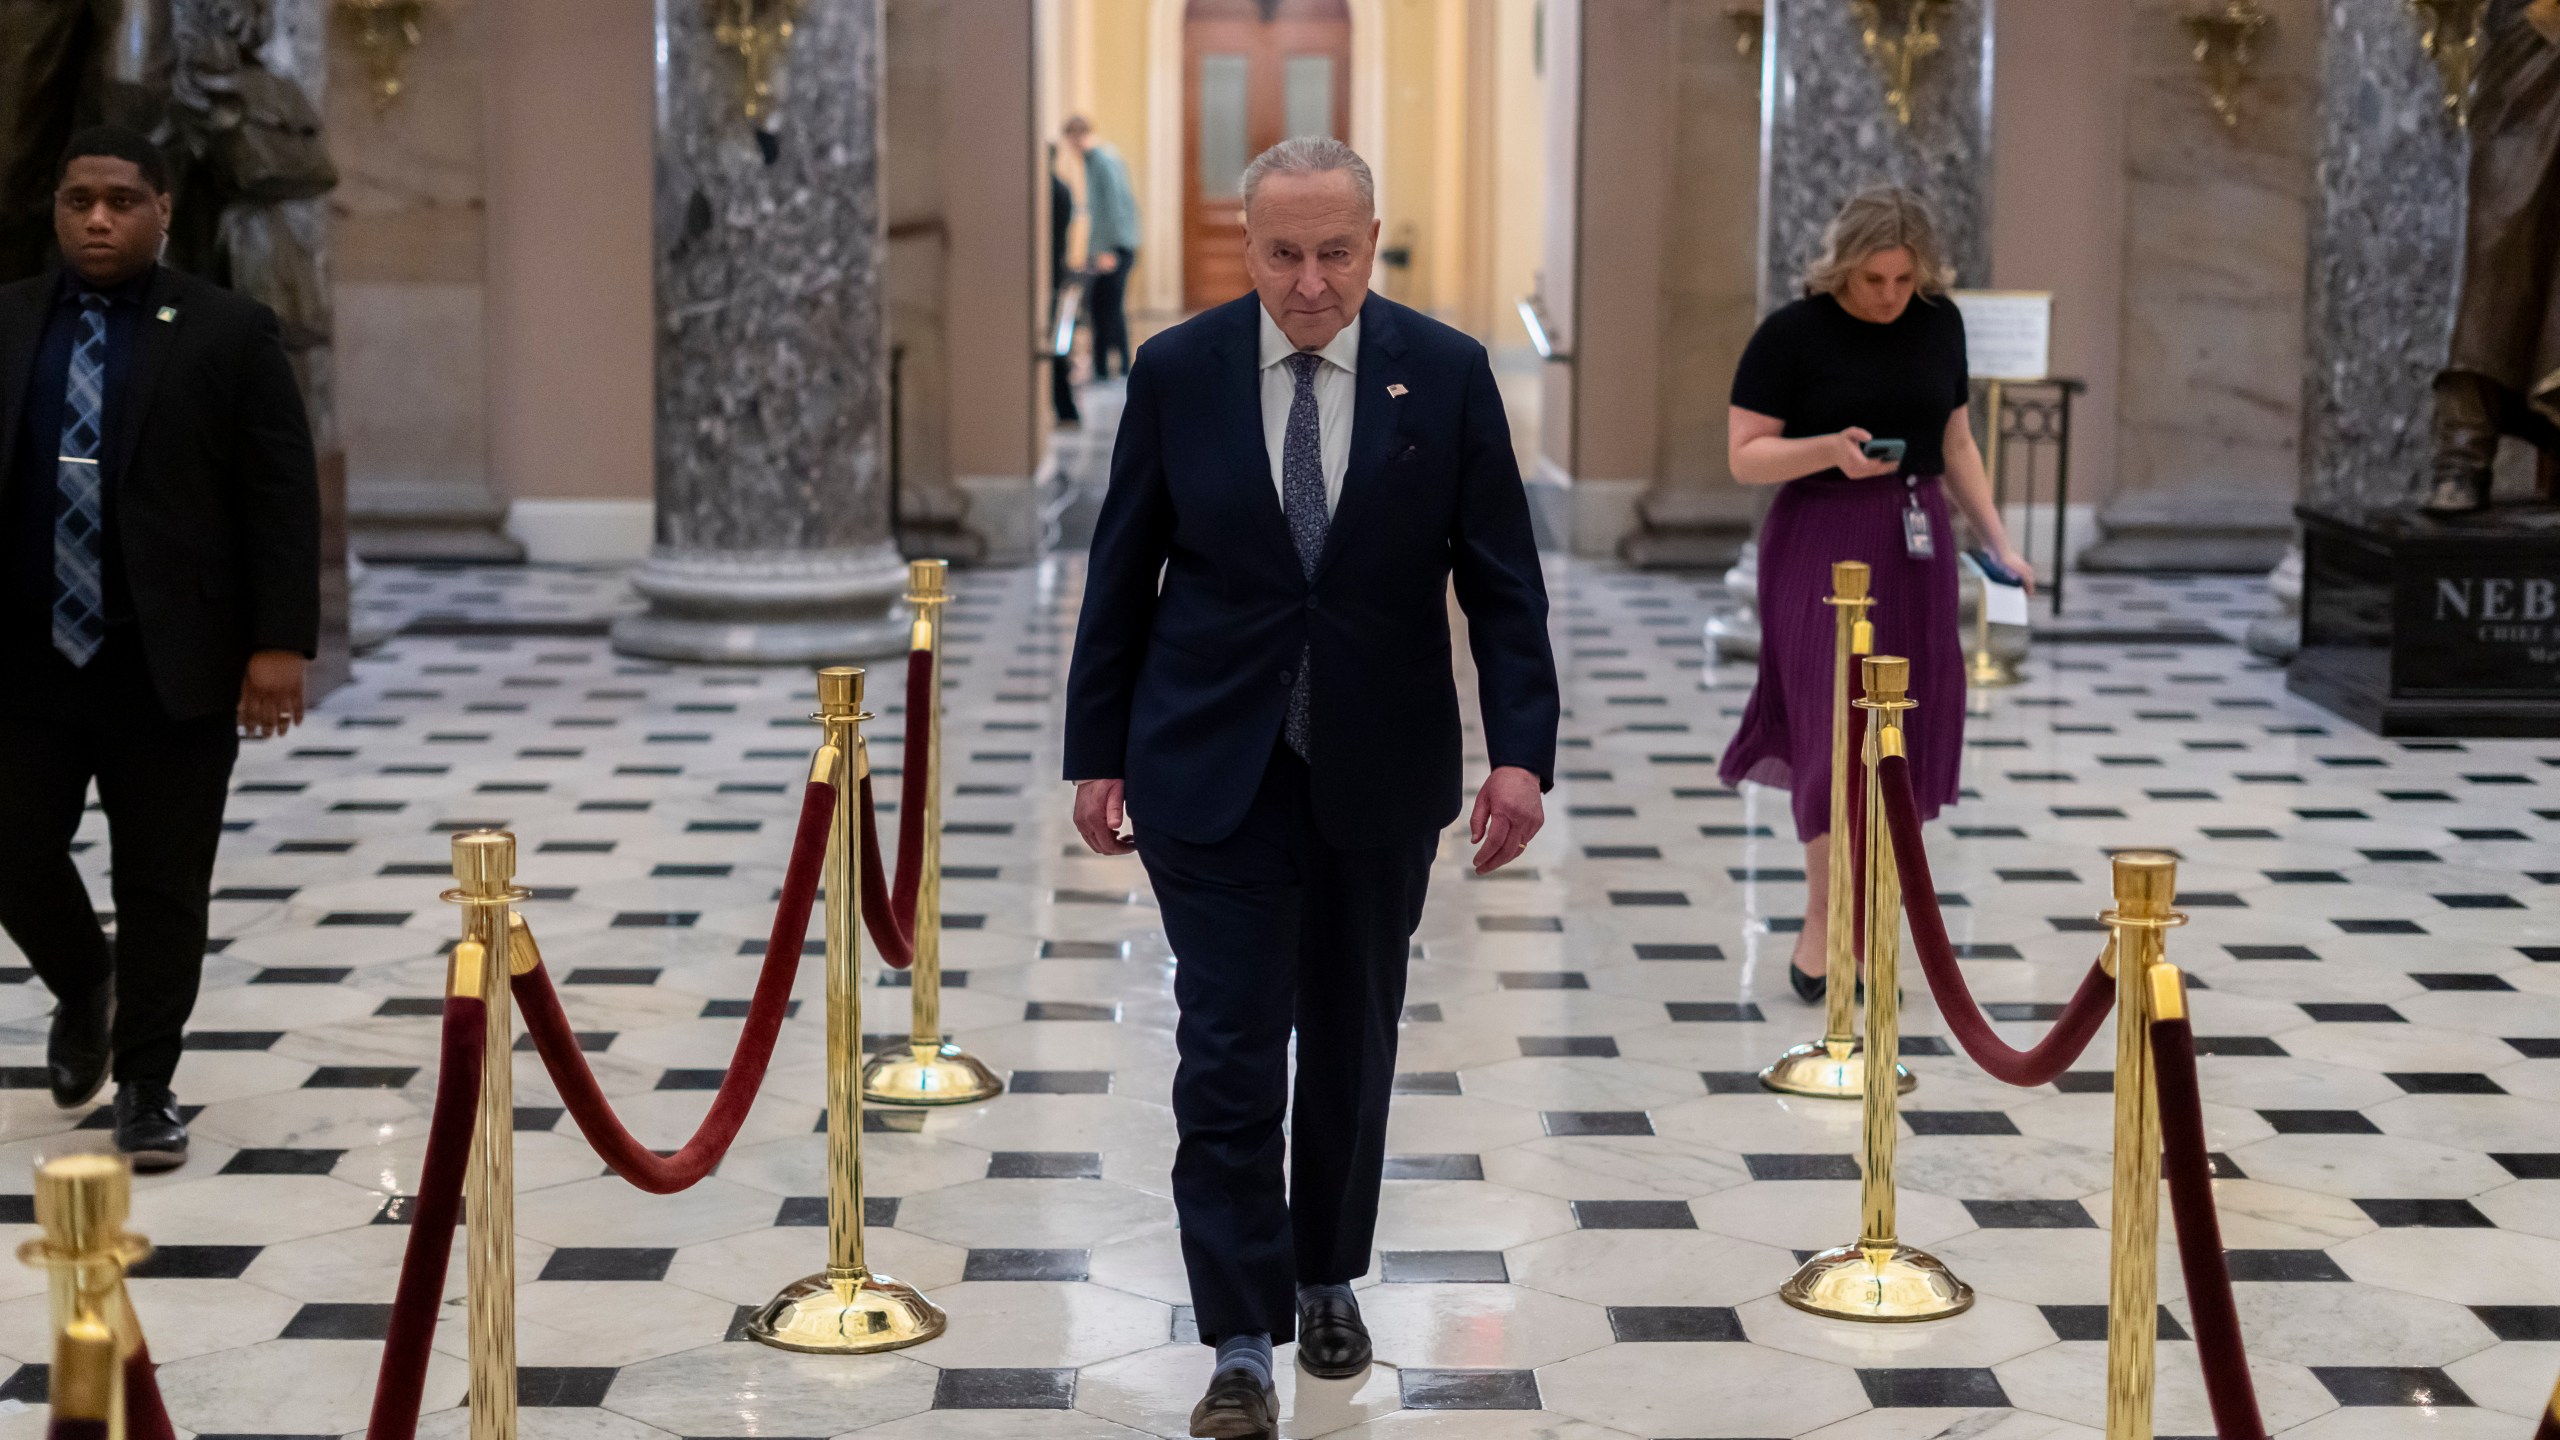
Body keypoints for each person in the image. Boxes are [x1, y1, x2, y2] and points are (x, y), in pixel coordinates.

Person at [1063, 137, 1556, 1439]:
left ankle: (1328, 1272)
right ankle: (1237, 1333)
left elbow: (1502, 580)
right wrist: (1095, 751)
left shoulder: (1445, 375)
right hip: (1207, 766)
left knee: (1351, 1040)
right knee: (1225, 1056)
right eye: (1283, 252)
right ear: (1247, 244)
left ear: (1373, 240)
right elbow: (1122, 569)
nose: (1311, 280)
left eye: (1338, 251)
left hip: (1378, 772)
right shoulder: (1178, 371)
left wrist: (1520, 752)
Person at [0, 126, 320, 1170]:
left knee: (164, 882)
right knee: (12, 848)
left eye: (122, 201)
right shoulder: (7, 324)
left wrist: (278, 644)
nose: (98, 218)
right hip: (26, 654)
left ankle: (145, 1085)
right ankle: (87, 979)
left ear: (164, 208)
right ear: (56, 207)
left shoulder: (227, 330)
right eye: (79, 199)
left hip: (169, 662)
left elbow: (279, 495)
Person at [1716, 185, 2033, 1005]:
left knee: (1904, 725)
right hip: (1820, 537)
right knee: (1833, 724)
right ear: (1840, 269)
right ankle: (1826, 916)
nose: (1888, 296)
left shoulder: (1940, 323)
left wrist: (1999, 543)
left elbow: (1957, 440)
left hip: (1916, 535)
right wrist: (1828, 448)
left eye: (1901, 279)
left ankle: (1874, 908)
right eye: (1871, 280)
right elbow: (1745, 456)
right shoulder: (1792, 334)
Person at [1063, 115, 1140, 381]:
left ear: (1076, 136)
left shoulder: (1102, 162)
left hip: (1116, 247)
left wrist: (1108, 250)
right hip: (1114, 245)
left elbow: (1115, 208)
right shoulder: (1099, 160)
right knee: (1108, 307)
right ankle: (1112, 367)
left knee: (1106, 308)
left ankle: (1111, 367)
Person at [1049, 144, 1081, 427]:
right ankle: (1064, 406)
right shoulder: (1062, 189)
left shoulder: (1050, 191)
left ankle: (1065, 407)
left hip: (1049, 275)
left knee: (1054, 344)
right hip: (1057, 270)